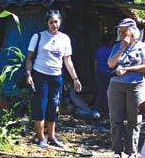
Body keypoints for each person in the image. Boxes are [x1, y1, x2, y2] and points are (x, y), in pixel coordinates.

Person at [25, 10, 82, 148]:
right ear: (47, 23)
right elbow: (29, 58)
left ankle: (52, 137)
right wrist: (28, 74)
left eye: (56, 21)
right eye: (51, 22)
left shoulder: (65, 39)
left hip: (56, 77)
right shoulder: (38, 37)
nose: (54, 24)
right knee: (41, 105)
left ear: (60, 22)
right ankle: (41, 138)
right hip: (40, 75)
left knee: (53, 106)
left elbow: (68, 61)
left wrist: (75, 78)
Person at [107, 18, 145, 158]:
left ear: (133, 31)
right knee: (115, 120)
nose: (122, 33)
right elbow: (110, 64)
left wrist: (127, 69)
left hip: (136, 85)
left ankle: (132, 152)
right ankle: (117, 152)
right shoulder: (117, 46)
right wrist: (122, 48)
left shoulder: (142, 46)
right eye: (120, 30)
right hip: (116, 85)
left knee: (134, 120)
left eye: (125, 30)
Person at [93, 34, 114, 118]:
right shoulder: (112, 50)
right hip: (109, 73)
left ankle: (95, 108)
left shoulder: (98, 50)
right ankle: (106, 111)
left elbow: (95, 63)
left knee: (100, 91)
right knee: (107, 92)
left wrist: (95, 74)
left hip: (100, 72)